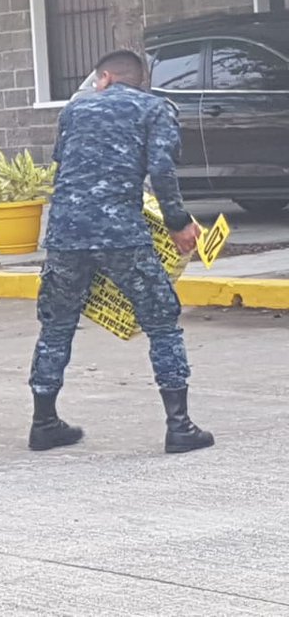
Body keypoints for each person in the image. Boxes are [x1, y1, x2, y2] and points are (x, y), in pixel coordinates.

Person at [28, 49, 213, 455]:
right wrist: (178, 222)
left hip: (65, 234)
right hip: (122, 234)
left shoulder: (74, 110)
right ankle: (179, 426)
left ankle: (43, 423)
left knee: (56, 325)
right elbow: (162, 172)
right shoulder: (155, 109)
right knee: (162, 321)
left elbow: (65, 166)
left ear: (106, 77)